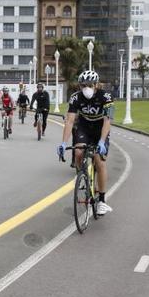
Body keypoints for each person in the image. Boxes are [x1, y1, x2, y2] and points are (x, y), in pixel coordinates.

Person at [58, 70, 115, 215]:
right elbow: (70, 121)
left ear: (96, 85)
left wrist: (102, 141)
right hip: (84, 127)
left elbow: (108, 121)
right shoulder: (75, 98)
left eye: (89, 85)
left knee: (99, 160)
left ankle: (102, 200)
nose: (86, 88)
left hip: (100, 129)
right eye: (83, 85)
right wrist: (64, 143)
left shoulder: (106, 97)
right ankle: (82, 175)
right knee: (78, 152)